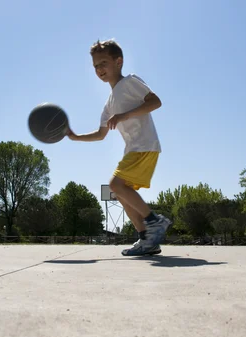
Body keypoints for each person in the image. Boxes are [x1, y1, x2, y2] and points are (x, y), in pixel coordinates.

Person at [67, 39, 171, 256]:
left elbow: (156, 102)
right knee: (120, 193)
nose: (99, 69)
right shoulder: (109, 103)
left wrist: (125, 115)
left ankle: (154, 221)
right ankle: (147, 240)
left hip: (144, 145)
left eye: (103, 63)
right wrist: (74, 137)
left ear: (118, 62)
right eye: (96, 66)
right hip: (134, 149)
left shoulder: (130, 82)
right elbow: (100, 134)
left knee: (115, 184)